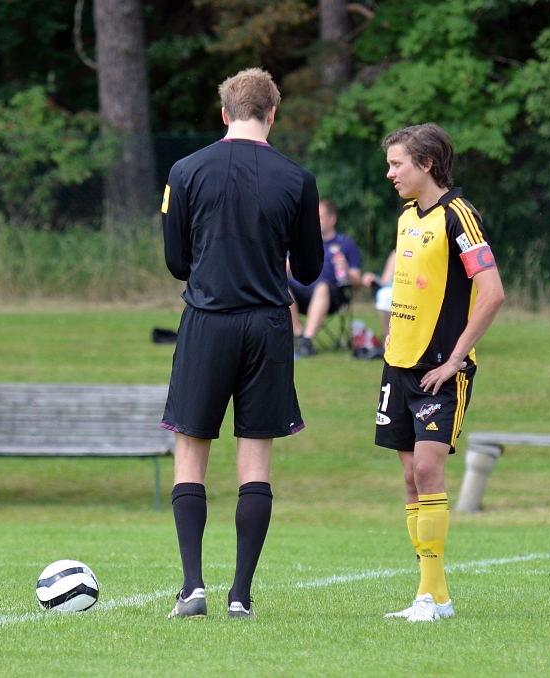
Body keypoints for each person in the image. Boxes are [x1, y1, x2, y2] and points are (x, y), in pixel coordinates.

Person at [160, 68, 323, 619]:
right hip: (268, 326)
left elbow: (176, 262)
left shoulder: (185, 170)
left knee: (192, 451)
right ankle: (241, 596)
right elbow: (309, 269)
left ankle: (192, 588)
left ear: (224, 113)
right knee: (254, 459)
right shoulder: (297, 179)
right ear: (272, 114)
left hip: (207, 321)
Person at [375, 123, 505, 622]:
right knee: (411, 477)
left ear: (426, 164)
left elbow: (492, 293)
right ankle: (434, 597)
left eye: (397, 164)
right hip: (399, 368)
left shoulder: (460, 216)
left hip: (440, 373)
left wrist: (455, 359)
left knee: (428, 470)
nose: (390, 173)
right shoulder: (408, 216)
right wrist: (391, 337)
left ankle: (431, 597)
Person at [288, 199, 362, 357]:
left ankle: (307, 341)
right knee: (281, 285)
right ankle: (300, 336)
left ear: (332, 219)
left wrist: (346, 270)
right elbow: (284, 270)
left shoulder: (346, 244)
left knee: (322, 286)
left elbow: (356, 282)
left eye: (319, 217)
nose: (314, 221)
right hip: (299, 294)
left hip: (331, 296)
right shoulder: (302, 241)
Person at [362, 249, 396, 341]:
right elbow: (385, 281)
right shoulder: (397, 252)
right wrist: (374, 279)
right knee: (384, 295)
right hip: (395, 290)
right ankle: (389, 341)